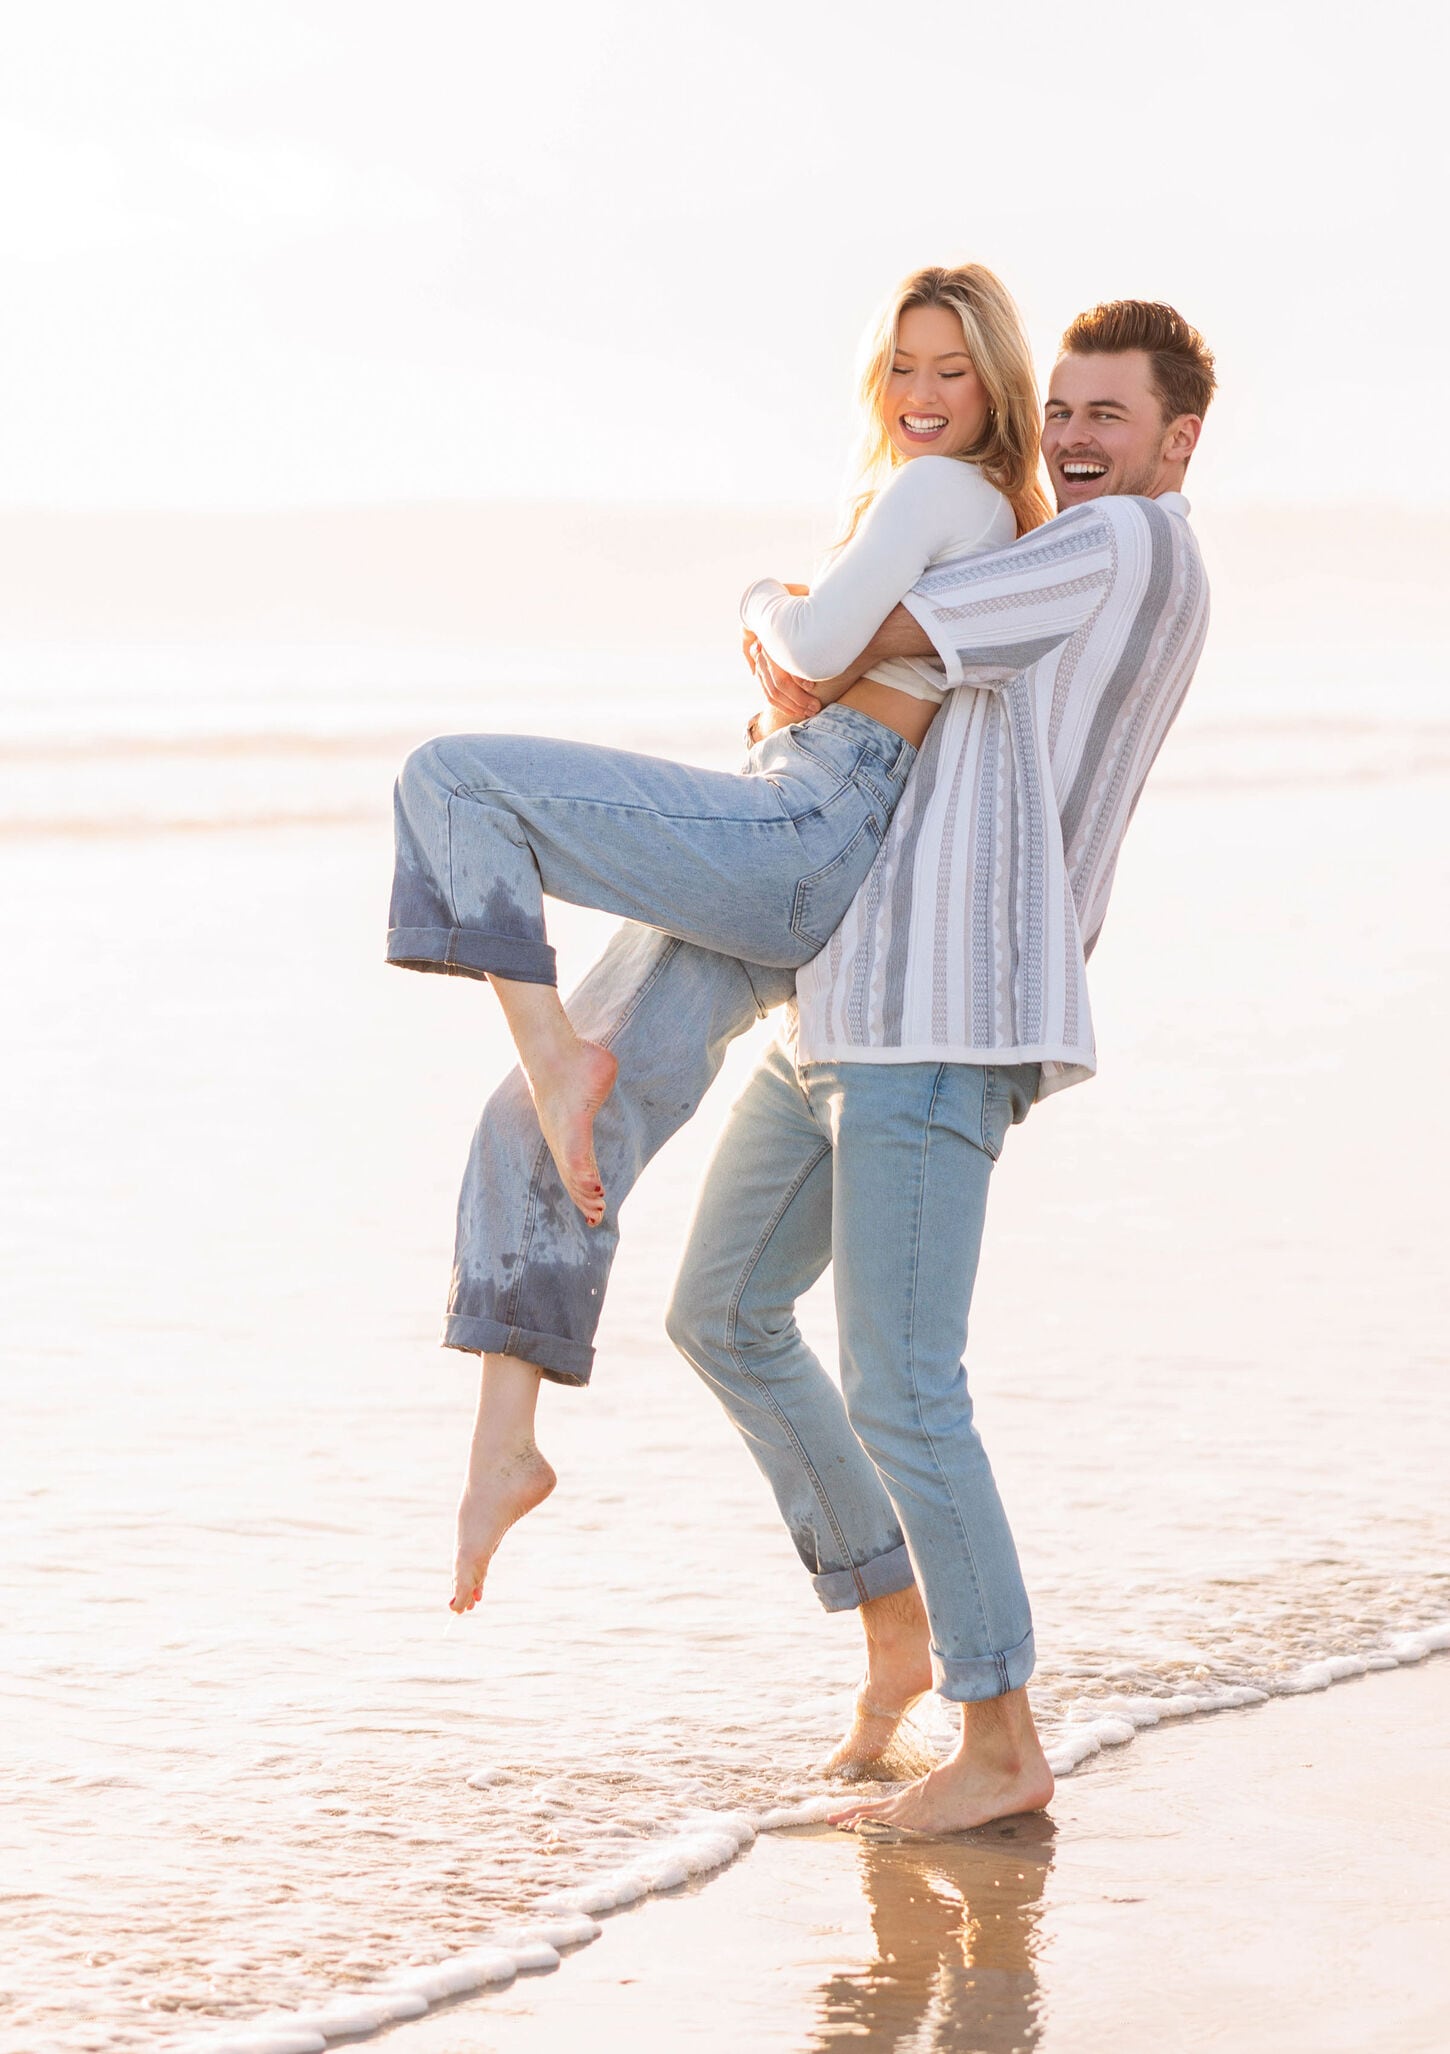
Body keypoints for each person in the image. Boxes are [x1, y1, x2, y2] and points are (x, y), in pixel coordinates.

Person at [385, 265, 1050, 1604]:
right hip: (805, 833)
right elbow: (823, 674)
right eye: (902, 369)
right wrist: (800, 679)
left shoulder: (939, 494)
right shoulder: (977, 514)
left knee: (450, 778)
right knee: (545, 1130)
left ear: (994, 389)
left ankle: (553, 1046)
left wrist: (756, 593)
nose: (921, 396)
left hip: (807, 822)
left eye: (950, 371)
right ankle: (506, 1447)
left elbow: (805, 639)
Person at [666, 300, 1215, 1830]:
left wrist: (777, 607)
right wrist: (813, 636)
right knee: (716, 1308)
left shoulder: (1126, 547)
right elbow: (865, 647)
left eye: (1113, 415)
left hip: (943, 1011)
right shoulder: (1059, 541)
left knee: (906, 1387)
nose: (1079, 439)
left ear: (1178, 439)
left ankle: (999, 1736)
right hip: (843, 997)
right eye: (1068, 411)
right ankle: (892, 1625)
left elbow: (858, 633)